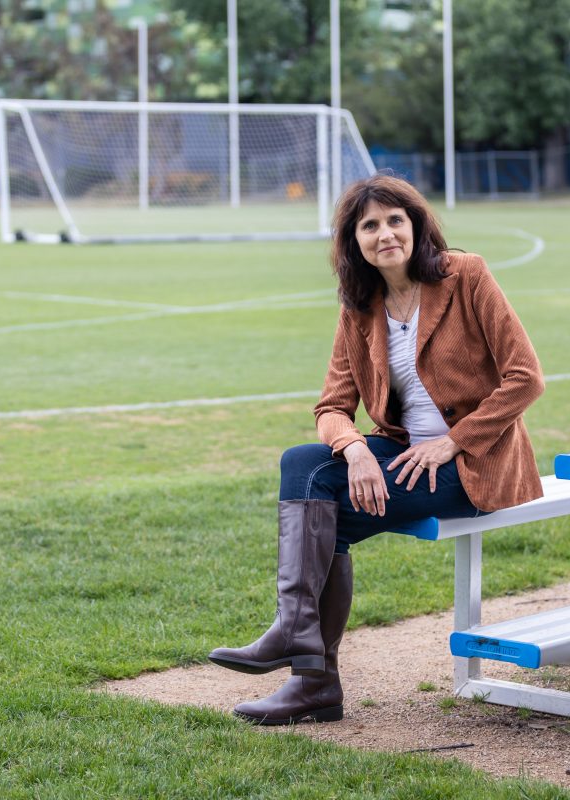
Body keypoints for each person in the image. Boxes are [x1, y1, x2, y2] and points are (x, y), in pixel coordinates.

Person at [208, 173, 545, 725]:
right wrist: (356, 451)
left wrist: (452, 444)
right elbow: (331, 408)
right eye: (370, 225)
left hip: (474, 465)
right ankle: (303, 653)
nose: (384, 233)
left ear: (415, 224)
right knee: (303, 464)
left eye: (395, 220)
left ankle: (310, 676)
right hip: (397, 452)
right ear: (354, 241)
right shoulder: (360, 307)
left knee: (325, 519)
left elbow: (525, 378)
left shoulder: (467, 275)